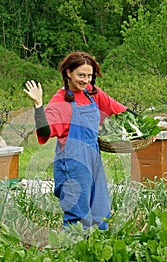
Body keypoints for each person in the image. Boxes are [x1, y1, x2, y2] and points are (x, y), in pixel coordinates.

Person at [24, 51, 129, 231]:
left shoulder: (91, 93)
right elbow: (45, 132)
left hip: (93, 159)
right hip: (73, 164)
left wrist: (150, 129)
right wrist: (38, 105)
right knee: (78, 216)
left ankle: (99, 253)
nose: (86, 80)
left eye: (89, 76)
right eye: (81, 75)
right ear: (68, 73)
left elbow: (118, 109)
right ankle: (73, 255)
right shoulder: (60, 101)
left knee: (101, 212)